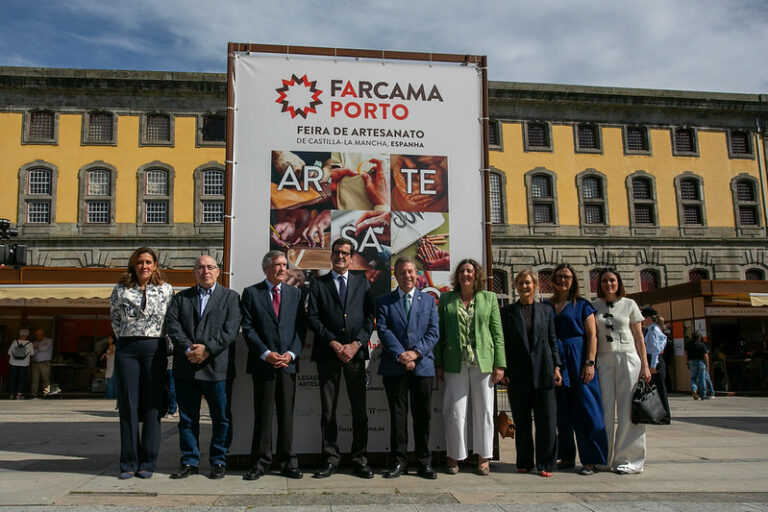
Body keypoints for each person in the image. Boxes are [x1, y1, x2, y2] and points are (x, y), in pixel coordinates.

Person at [165, 255, 241, 480]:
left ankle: (218, 460)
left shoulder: (230, 298)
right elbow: (172, 324)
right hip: (186, 367)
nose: (205, 271)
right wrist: (188, 348)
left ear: (218, 272)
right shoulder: (181, 298)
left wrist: (207, 349)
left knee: (221, 418)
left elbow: (230, 330)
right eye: (200, 267)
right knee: (188, 418)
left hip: (217, 368)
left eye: (210, 267)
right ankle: (189, 461)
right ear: (194, 272)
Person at [308, 238, 376, 479]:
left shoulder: (362, 282)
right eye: (337, 252)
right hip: (328, 354)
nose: (340, 257)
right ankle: (330, 459)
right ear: (331, 255)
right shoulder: (318, 284)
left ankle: (360, 459)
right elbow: (313, 319)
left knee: (359, 411)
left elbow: (370, 318)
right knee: (328, 412)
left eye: (345, 253)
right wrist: (335, 343)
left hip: (355, 357)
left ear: (351, 257)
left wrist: (356, 344)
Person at [435, 258, 505, 476]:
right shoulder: (446, 298)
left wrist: (500, 364)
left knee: (484, 410)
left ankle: (484, 457)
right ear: (457, 276)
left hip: (483, 362)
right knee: (455, 411)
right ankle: (454, 457)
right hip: (454, 363)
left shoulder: (489, 298)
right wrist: (438, 362)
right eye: (462, 271)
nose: (466, 274)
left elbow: (497, 333)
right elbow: (440, 335)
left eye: (470, 271)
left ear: (476, 275)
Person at [110, 247, 175, 480]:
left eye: (148, 262)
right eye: (140, 262)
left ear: (155, 265)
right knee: (128, 405)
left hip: (154, 348)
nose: (144, 266)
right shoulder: (120, 289)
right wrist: (126, 338)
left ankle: (148, 460)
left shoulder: (166, 290)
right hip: (127, 348)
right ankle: (128, 461)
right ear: (133, 265)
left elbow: (170, 321)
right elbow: (115, 319)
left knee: (152, 405)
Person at [242, 251, 305, 481]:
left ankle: (288, 461)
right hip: (264, 365)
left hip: (287, 364)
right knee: (263, 415)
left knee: (287, 415)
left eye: (284, 265)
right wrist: (266, 354)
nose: (282, 269)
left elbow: (300, 329)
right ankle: (260, 462)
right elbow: (248, 329)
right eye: (277, 265)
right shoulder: (252, 293)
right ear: (266, 268)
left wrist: (290, 354)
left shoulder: (295, 294)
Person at [376, 256, 440, 480]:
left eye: (411, 271)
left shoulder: (429, 301)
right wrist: (402, 355)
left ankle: (424, 462)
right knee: (398, 417)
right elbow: (383, 331)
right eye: (402, 272)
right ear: (395, 276)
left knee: (423, 417)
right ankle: (399, 461)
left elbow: (433, 332)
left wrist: (415, 353)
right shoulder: (384, 301)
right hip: (395, 367)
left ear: (417, 274)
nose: (407, 276)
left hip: (422, 367)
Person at [545, 262, 607, 476]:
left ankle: (590, 460)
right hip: (556, 361)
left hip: (578, 359)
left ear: (574, 281)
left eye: (568, 277)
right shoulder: (546, 305)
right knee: (562, 413)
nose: (563, 280)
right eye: (560, 276)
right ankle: (566, 456)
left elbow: (592, 335)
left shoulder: (582, 305)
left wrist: (589, 363)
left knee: (586, 411)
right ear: (553, 280)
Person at [501, 270, 562, 477]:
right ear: (515, 287)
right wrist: (506, 370)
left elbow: (553, 340)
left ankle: (546, 463)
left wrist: (557, 366)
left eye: (527, 282)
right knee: (522, 421)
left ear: (535, 285)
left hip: (543, 370)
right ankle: (525, 461)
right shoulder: (508, 312)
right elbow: (505, 344)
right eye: (519, 283)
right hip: (518, 373)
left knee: (546, 421)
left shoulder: (546, 311)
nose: (523, 286)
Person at [592, 268, 651, 474]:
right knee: (604, 410)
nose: (609, 284)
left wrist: (645, 365)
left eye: (612, 280)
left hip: (628, 358)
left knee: (627, 410)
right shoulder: (594, 306)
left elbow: (639, 338)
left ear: (619, 283)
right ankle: (602, 457)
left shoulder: (630, 304)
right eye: (605, 281)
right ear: (600, 284)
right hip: (604, 359)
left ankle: (628, 460)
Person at [641, 308, 671, 422]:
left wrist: (653, 366)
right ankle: (658, 415)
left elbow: (655, 350)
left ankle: (664, 416)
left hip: (655, 361)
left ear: (648, 318)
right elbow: (664, 340)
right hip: (655, 360)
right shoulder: (653, 329)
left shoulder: (653, 330)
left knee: (659, 390)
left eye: (643, 317)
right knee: (655, 390)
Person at [8, 328, 34, 399]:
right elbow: (32, 353)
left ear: (19, 334)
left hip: (13, 363)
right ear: (27, 335)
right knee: (22, 379)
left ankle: (11, 394)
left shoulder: (15, 342)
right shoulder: (29, 343)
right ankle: (19, 394)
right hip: (24, 364)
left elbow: (9, 352)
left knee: (13, 378)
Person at [685, 332, 710, 400]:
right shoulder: (702, 345)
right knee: (702, 379)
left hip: (691, 361)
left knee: (693, 378)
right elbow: (705, 355)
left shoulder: (688, 344)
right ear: (699, 337)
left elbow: (686, 354)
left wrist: (687, 362)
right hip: (701, 362)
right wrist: (707, 364)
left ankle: (694, 389)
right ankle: (703, 395)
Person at [30, 329, 52, 398]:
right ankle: (33, 394)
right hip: (35, 362)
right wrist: (36, 347)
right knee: (34, 379)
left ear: (43, 334)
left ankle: (46, 394)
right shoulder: (35, 342)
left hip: (44, 363)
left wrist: (37, 347)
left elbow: (44, 348)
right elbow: (31, 351)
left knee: (45, 379)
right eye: (36, 335)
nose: (37, 336)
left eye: (39, 334)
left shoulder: (48, 340)